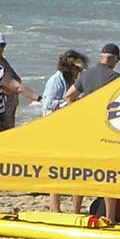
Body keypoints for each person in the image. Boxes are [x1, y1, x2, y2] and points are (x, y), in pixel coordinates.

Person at [43, 49, 89, 213]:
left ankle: (75, 209)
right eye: (78, 69)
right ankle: (55, 209)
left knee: (75, 169)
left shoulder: (69, 81)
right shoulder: (56, 80)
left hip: (68, 127)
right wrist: (72, 102)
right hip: (55, 128)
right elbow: (48, 104)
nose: (79, 72)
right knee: (58, 170)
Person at [0, 32, 24, 131]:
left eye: (2, 45)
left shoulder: (3, 61)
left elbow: (16, 79)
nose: (0, 48)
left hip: (9, 109)